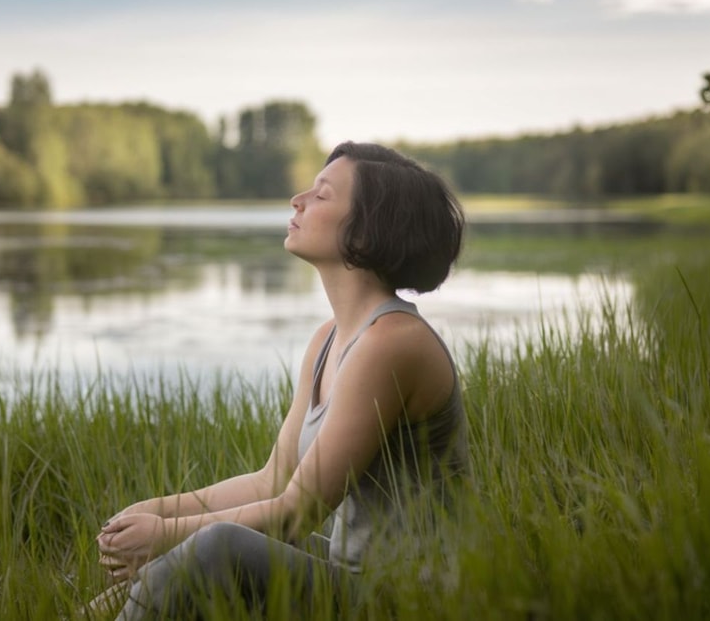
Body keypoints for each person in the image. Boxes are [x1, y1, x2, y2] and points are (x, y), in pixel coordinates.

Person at [93, 141, 469, 619]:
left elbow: (297, 514)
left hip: (411, 600)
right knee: (187, 554)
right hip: (354, 576)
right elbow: (273, 479)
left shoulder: (392, 343)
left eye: (322, 195)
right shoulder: (328, 341)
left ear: (367, 228)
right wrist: (158, 510)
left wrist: (166, 534)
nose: (298, 199)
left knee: (215, 547)